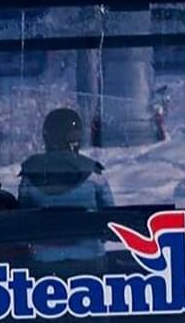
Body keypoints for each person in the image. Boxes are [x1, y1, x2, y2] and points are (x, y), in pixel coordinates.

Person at [19, 108, 115, 261]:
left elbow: (23, 222)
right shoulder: (94, 175)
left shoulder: (30, 175)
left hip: (43, 262)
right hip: (91, 260)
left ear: (47, 136)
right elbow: (110, 220)